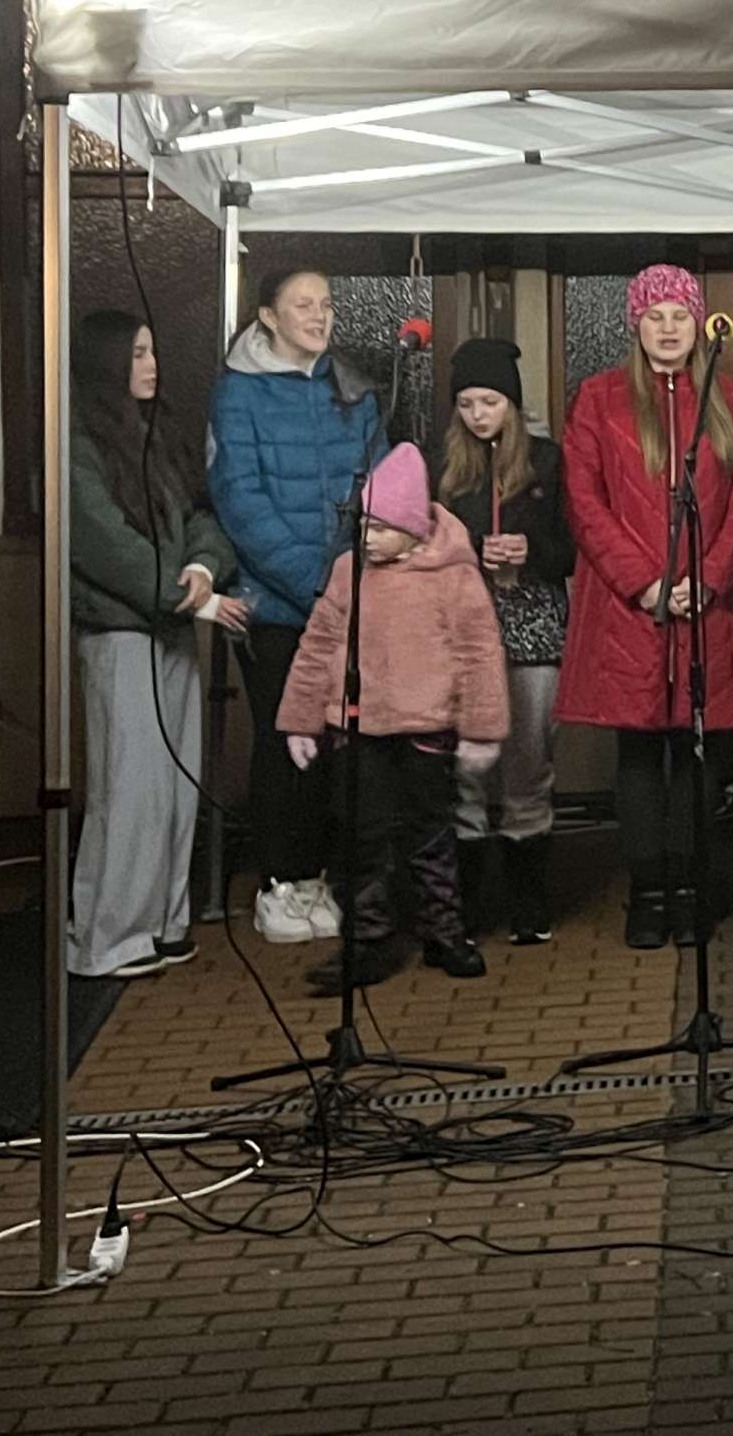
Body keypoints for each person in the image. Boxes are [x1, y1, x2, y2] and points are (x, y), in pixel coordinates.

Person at [560, 263, 733, 950]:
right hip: (630, 609)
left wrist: (710, 578)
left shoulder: (730, 398)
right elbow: (584, 501)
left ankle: (692, 889)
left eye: (679, 316)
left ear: (699, 324)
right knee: (640, 756)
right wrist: (645, 582)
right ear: (636, 325)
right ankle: (647, 893)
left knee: (698, 755)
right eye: (655, 316)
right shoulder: (600, 399)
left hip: (707, 607)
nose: (668, 328)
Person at [275, 444, 509, 993]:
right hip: (359, 727)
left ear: (412, 527)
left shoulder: (454, 575)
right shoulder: (347, 573)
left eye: (381, 528)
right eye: (364, 526)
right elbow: (318, 645)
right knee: (361, 835)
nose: (368, 538)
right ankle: (367, 938)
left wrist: (481, 729)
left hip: (427, 727)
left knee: (431, 834)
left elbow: (480, 652)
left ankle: (444, 932)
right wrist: (301, 719)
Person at [67, 311, 249, 979]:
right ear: (108, 360)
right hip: (120, 632)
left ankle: (165, 923)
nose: (151, 365)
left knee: (176, 785)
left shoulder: (156, 432)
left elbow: (202, 513)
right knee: (129, 786)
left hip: (172, 631)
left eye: (152, 351)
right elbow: (102, 544)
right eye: (138, 353)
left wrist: (202, 568)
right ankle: (108, 937)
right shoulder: (76, 443)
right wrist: (193, 598)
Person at [209, 265, 381, 947]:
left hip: (350, 595)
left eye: (326, 304)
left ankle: (329, 877)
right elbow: (240, 500)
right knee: (287, 743)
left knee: (344, 747)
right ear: (267, 316)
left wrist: (358, 575)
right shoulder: (238, 392)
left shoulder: (353, 386)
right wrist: (317, 585)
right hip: (278, 607)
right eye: (302, 305)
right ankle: (282, 881)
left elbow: (382, 483)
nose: (319, 315)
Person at [430, 337, 573, 946]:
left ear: (512, 404)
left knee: (527, 761)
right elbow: (424, 547)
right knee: (466, 766)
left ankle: (528, 902)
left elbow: (572, 550)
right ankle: (466, 905)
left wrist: (530, 550)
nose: (477, 415)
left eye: (489, 402)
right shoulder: (444, 468)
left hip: (534, 625)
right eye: (465, 404)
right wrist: (469, 550)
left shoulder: (547, 461)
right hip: (464, 631)